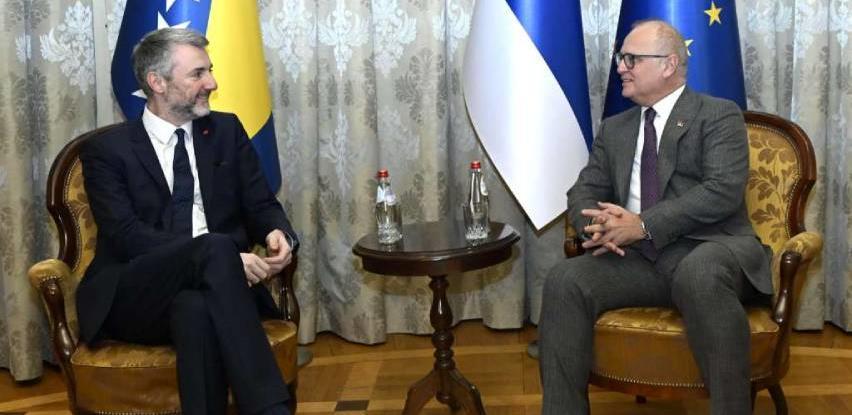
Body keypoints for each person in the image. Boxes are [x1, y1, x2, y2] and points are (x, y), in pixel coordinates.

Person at [538, 20, 773, 415]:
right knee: (565, 280)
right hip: (639, 261)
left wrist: (643, 224)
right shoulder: (615, 128)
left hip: (709, 248)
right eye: (621, 58)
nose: (620, 67)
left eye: (631, 59)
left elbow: (721, 191)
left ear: (668, 64)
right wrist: (599, 227)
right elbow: (583, 191)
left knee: (698, 273)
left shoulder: (718, 115)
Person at [77, 28, 296, 415]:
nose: (212, 83)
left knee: (195, 309)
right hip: (138, 294)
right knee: (215, 247)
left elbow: (261, 203)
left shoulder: (226, 132)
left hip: (218, 291)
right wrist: (223, 258)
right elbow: (126, 236)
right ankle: (270, 408)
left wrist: (277, 233)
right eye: (198, 73)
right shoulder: (106, 151)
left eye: (210, 70)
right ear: (157, 82)